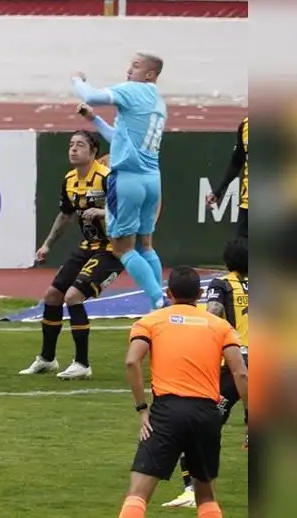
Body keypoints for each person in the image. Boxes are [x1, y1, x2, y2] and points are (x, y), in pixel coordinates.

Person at [119, 266, 248, 518]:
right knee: (206, 495)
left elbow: (132, 362)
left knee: (138, 492)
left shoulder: (150, 321)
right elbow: (241, 373)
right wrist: (250, 417)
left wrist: (142, 409)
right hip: (206, 414)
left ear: (168, 293)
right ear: (200, 293)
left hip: (166, 412)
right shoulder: (220, 326)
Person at [19, 131, 123, 380]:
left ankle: (82, 364)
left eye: (80, 145)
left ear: (94, 152)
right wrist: (47, 245)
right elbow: (65, 215)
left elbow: (126, 216)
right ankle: (47, 359)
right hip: (89, 246)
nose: (73, 149)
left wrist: (102, 213)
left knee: (73, 296)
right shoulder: (69, 180)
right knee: (53, 296)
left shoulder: (107, 178)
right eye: (71, 145)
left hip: (113, 250)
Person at [72, 54, 168, 310]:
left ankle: (159, 299)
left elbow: (90, 95)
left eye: (135, 66)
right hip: (152, 178)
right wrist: (94, 120)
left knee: (122, 249)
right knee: (146, 244)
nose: (128, 70)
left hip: (128, 179)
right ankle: (156, 302)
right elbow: (120, 138)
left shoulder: (133, 90)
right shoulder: (158, 102)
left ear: (150, 74)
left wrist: (77, 79)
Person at [162, 239, 249, 509]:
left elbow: (213, 313)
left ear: (227, 261)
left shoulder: (221, 284)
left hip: (234, 366)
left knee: (198, 430)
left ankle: (192, 489)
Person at [205, 117, 248, 238]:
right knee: (239, 252)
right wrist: (218, 191)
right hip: (248, 206)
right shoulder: (246, 125)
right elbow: (237, 162)